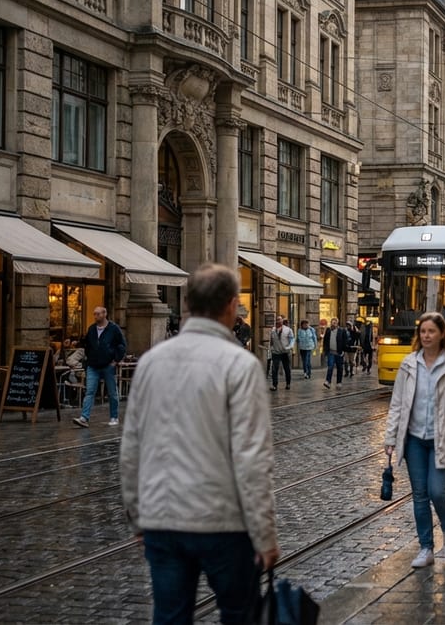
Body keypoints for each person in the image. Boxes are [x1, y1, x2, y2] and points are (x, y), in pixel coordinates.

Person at [120, 263, 279, 624]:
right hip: (223, 524)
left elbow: (131, 448)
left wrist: (138, 518)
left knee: (170, 617)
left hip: (163, 519)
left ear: (187, 304)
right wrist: (265, 535)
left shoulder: (150, 363)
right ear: (232, 306)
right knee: (240, 615)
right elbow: (252, 459)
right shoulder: (240, 365)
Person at [383, 312, 445, 568]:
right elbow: (397, 404)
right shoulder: (408, 365)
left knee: (437, 491)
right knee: (420, 494)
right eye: (423, 332)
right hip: (413, 440)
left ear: (441, 334)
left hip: (442, 438)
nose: (426, 336)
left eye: (431, 331)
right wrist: (390, 437)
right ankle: (426, 548)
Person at [72, 306, 127, 429]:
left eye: (98, 314)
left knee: (112, 392)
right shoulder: (92, 329)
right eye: (94, 314)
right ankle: (84, 418)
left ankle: (114, 416)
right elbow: (87, 345)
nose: (95, 316)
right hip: (93, 365)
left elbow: (122, 345)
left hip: (108, 364)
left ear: (104, 314)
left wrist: (116, 360)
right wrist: (87, 357)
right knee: (90, 391)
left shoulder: (113, 329)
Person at [268, 317, 294, 391]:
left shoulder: (288, 330)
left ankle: (288, 384)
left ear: (282, 321)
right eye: (276, 320)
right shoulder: (273, 330)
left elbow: (292, 339)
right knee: (274, 369)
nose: (278, 322)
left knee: (287, 369)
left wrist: (289, 347)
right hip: (276, 352)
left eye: (279, 320)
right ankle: (274, 385)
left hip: (285, 352)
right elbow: (271, 340)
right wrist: (271, 348)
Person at [323, 318, 349, 389]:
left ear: (337, 323)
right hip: (331, 352)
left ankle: (339, 382)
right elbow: (325, 341)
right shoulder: (328, 330)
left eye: (335, 323)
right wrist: (325, 350)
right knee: (330, 366)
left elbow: (345, 341)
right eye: (332, 322)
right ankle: (328, 381)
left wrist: (344, 351)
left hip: (339, 352)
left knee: (339, 368)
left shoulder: (342, 331)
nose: (333, 324)